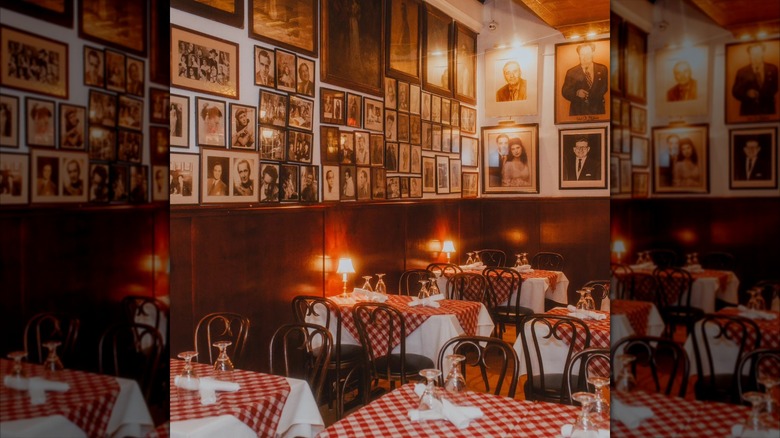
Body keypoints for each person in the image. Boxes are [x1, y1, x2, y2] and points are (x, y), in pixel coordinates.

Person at [561, 43, 608, 115]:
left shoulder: (602, 69)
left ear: (593, 53)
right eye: (582, 54)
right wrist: (577, 93)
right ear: (579, 55)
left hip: (597, 110)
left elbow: (604, 87)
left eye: (588, 54)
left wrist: (591, 96)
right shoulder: (571, 72)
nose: (585, 57)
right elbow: (565, 92)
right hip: (577, 112)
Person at [732, 43, 778, 116]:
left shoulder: (773, 69)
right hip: (748, 111)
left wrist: (763, 95)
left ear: (763, 53)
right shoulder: (741, 71)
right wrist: (747, 94)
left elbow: (775, 87)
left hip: (768, 109)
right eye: (753, 54)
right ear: (749, 55)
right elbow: (735, 91)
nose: (756, 56)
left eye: (758, 53)